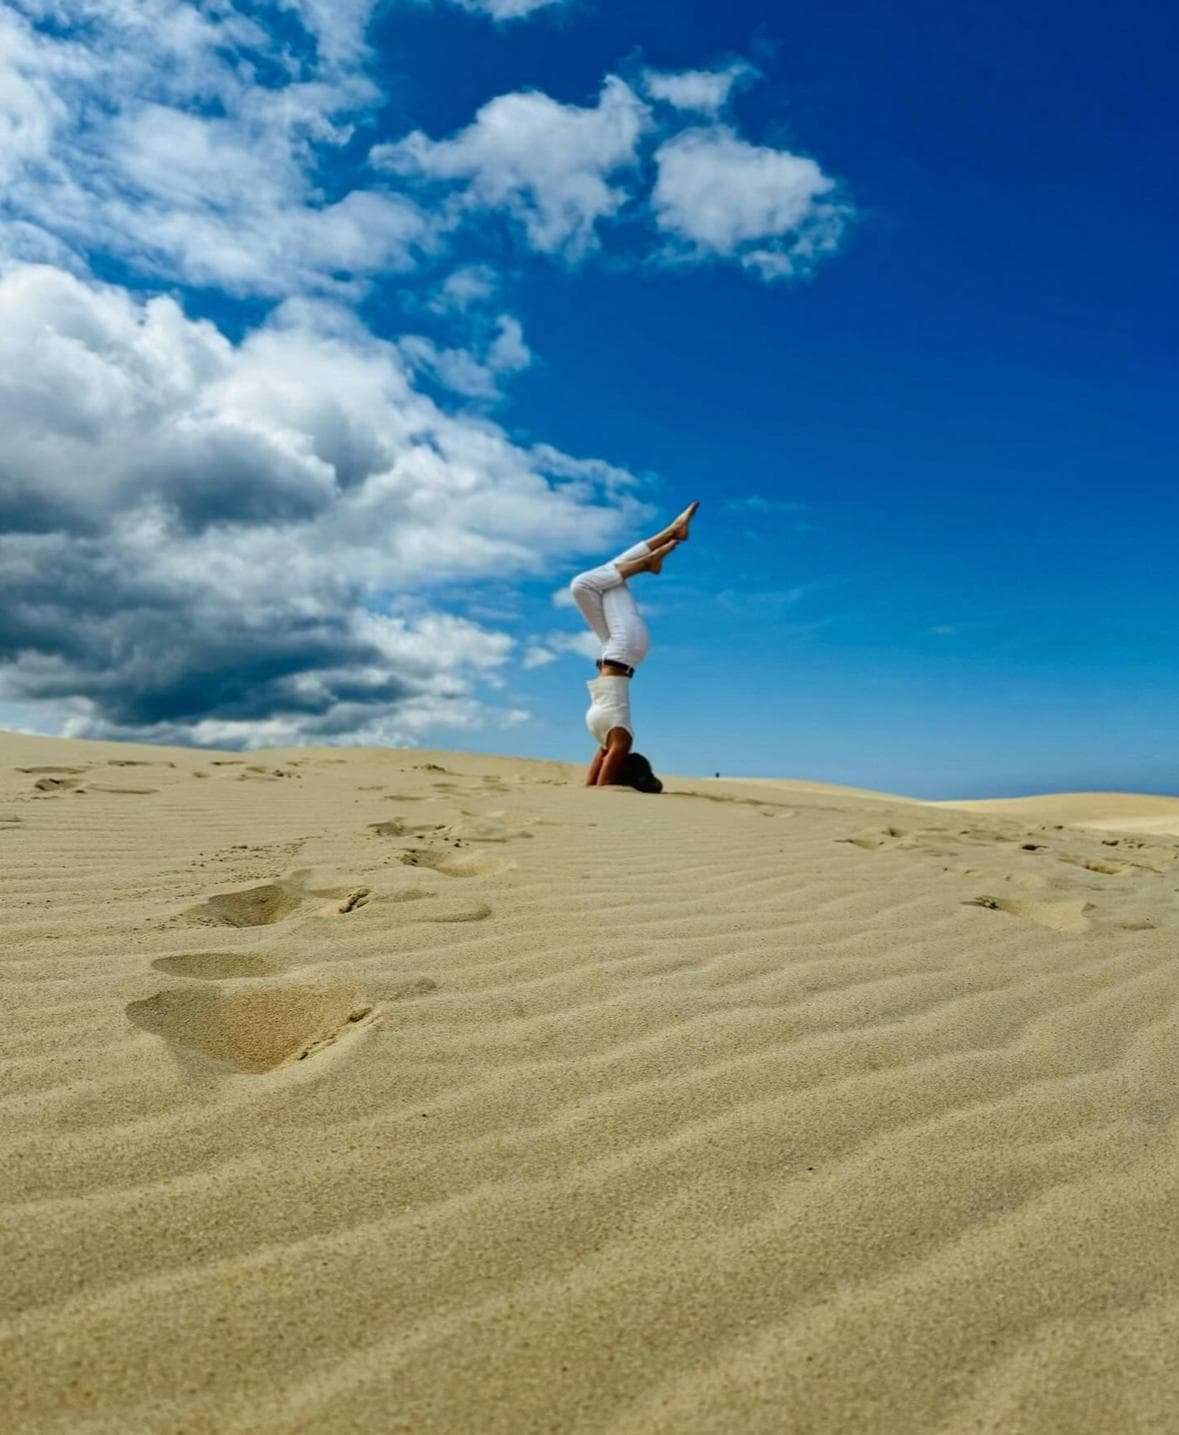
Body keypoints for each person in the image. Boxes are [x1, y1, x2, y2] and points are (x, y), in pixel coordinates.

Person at [569, 501, 699, 787]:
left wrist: (605, 770)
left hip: (614, 649)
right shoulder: (622, 739)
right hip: (624, 650)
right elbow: (603, 789)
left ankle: (667, 538)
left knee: (592, 583)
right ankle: (660, 546)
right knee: (584, 583)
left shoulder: (611, 742)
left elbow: (593, 788)